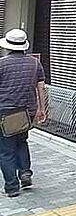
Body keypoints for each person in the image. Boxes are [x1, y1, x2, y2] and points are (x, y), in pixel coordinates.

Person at [0, 29, 46, 198]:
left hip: (6, 112)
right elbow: (41, 87)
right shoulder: (34, 63)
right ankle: (25, 172)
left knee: (6, 150)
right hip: (28, 112)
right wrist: (42, 109)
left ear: (8, 46)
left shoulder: (2, 64)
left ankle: (12, 187)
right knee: (21, 141)